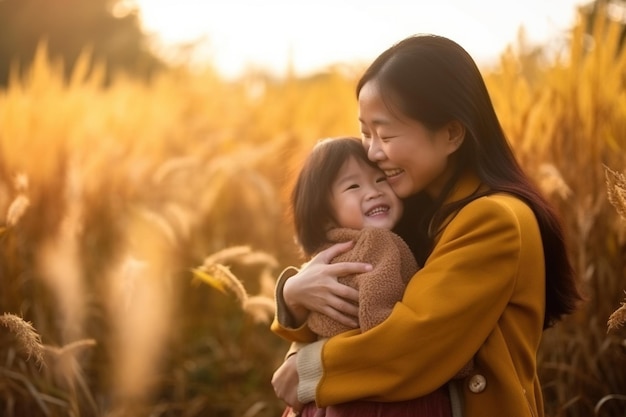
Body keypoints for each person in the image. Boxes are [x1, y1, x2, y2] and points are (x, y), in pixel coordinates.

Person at [271, 34, 582, 417]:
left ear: (451, 134)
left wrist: (308, 370)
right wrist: (293, 295)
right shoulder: (409, 207)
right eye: (366, 133)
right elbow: (345, 306)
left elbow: (415, 343)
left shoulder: (495, 220)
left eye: (385, 134)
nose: (372, 152)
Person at [273, 136, 472, 417]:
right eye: (353, 186)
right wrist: (457, 364)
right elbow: (382, 326)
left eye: (380, 180)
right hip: (378, 400)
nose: (373, 192)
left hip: (326, 399)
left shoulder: (327, 253)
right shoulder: (378, 244)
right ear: (324, 213)